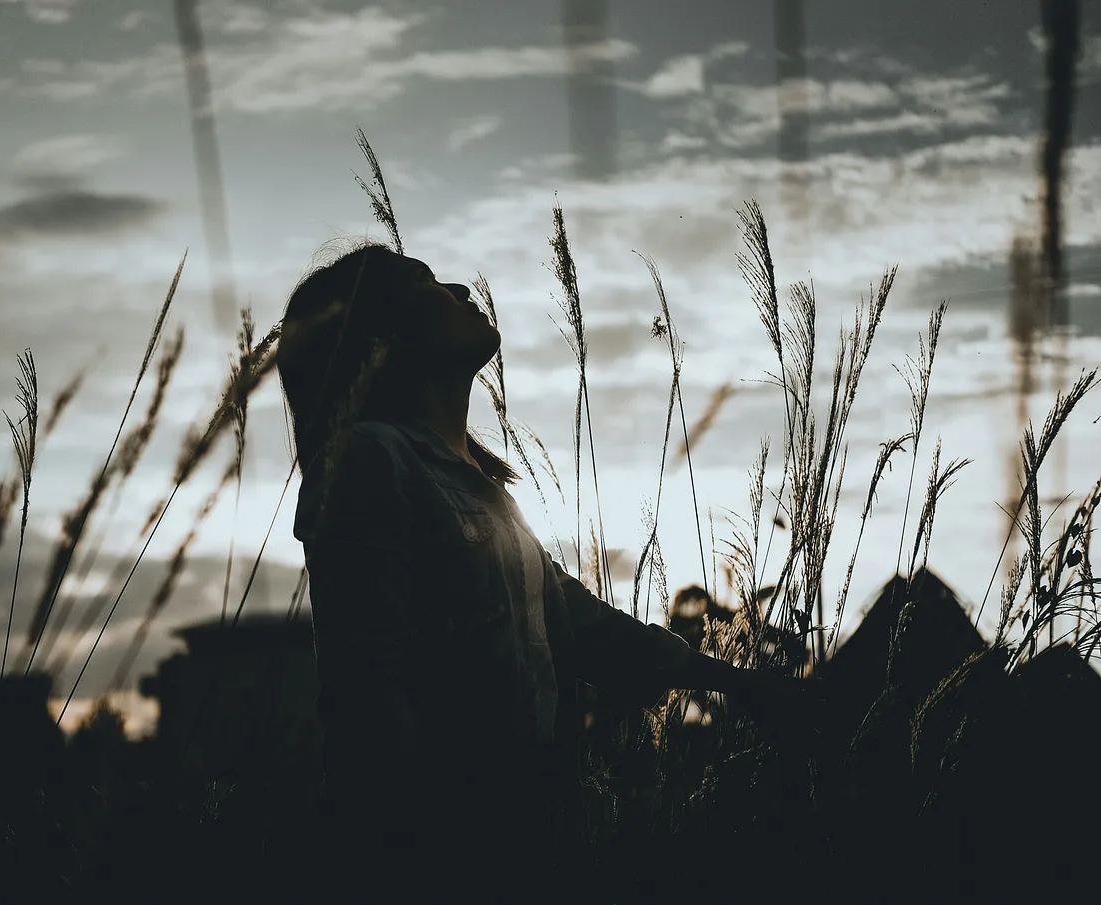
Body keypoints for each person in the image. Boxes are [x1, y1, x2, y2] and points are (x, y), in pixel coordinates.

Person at [276, 241, 809, 903]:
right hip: (446, 852)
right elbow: (366, 691)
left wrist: (734, 681)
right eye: (425, 282)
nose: (460, 288)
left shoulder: (486, 490)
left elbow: (580, 620)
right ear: (384, 333)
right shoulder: (370, 461)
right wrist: (411, 849)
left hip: (529, 840)